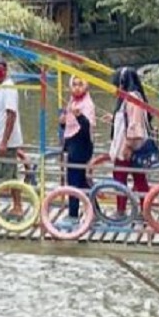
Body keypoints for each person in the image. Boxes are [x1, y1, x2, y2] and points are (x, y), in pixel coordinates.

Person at [109, 66, 155, 218]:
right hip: (134, 146)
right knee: (139, 178)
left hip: (128, 148)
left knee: (120, 177)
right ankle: (144, 210)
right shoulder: (133, 97)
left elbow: (134, 124)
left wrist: (128, 146)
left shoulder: (132, 98)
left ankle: (122, 210)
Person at [0, 58, 24, 215]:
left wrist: (3, 142)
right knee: (12, 176)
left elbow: (11, 115)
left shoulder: (9, 88)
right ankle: (18, 207)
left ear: (5, 70)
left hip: (5, 143)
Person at [60, 75, 96, 221]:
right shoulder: (73, 102)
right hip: (73, 144)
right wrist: (62, 122)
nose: (76, 87)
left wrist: (79, 116)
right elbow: (68, 125)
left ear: (86, 86)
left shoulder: (87, 104)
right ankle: (95, 211)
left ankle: (73, 215)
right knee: (81, 182)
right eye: (74, 84)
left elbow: (87, 127)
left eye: (80, 84)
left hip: (82, 146)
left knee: (74, 181)